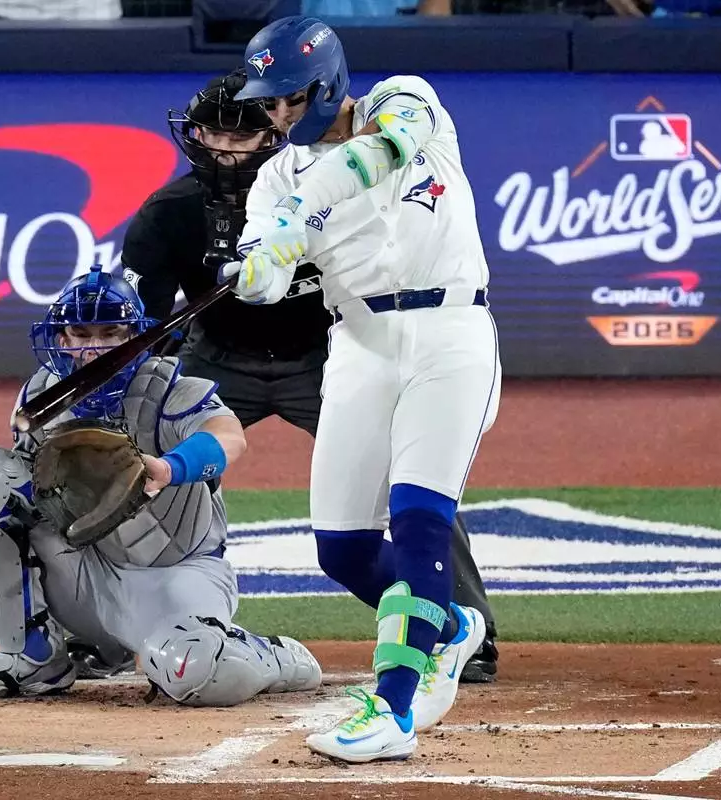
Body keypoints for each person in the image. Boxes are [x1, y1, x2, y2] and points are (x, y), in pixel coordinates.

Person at [120, 68, 501, 686]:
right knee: (142, 454)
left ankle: (466, 628)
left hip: (322, 354)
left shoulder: (330, 168)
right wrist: (256, 274)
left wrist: (296, 220)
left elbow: (371, 173)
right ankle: (119, 621)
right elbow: (144, 319)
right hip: (219, 356)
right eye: (212, 135)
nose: (223, 149)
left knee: (416, 478)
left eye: (239, 136)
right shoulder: (176, 210)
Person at [223, 16, 502, 762]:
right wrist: (256, 268)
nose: (280, 115)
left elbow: (380, 153)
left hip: (450, 333)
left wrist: (300, 214)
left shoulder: (403, 100)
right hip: (359, 345)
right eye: (270, 103)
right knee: (342, 549)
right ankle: (450, 625)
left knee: (418, 521)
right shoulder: (274, 180)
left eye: (291, 98)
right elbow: (267, 275)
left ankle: (394, 710)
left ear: (327, 84)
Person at [0, 266, 322, 707]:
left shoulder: (170, 389)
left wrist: (171, 468)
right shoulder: (42, 396)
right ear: (61, 339)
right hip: (85, 571)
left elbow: (228, 437)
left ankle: (274, 656)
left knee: (198, 672)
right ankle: (33, 657)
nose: (94, 347)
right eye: (81, 334)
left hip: (175, 577)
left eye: (110, 333)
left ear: (134, 337)